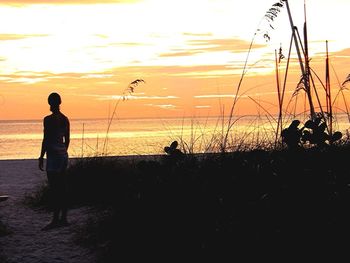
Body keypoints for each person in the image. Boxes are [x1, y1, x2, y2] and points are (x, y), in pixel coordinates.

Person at [39, 92, 70, 230]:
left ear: (51, 103)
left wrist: (41, 156)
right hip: (63, 155)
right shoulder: (65, 119)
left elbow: (46, 139)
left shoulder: (48, 119)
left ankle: (55, 220)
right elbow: (67, 139)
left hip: (53, 157)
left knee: (55, 188)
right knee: (63, 188)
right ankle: (63, 218)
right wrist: (62, 151)